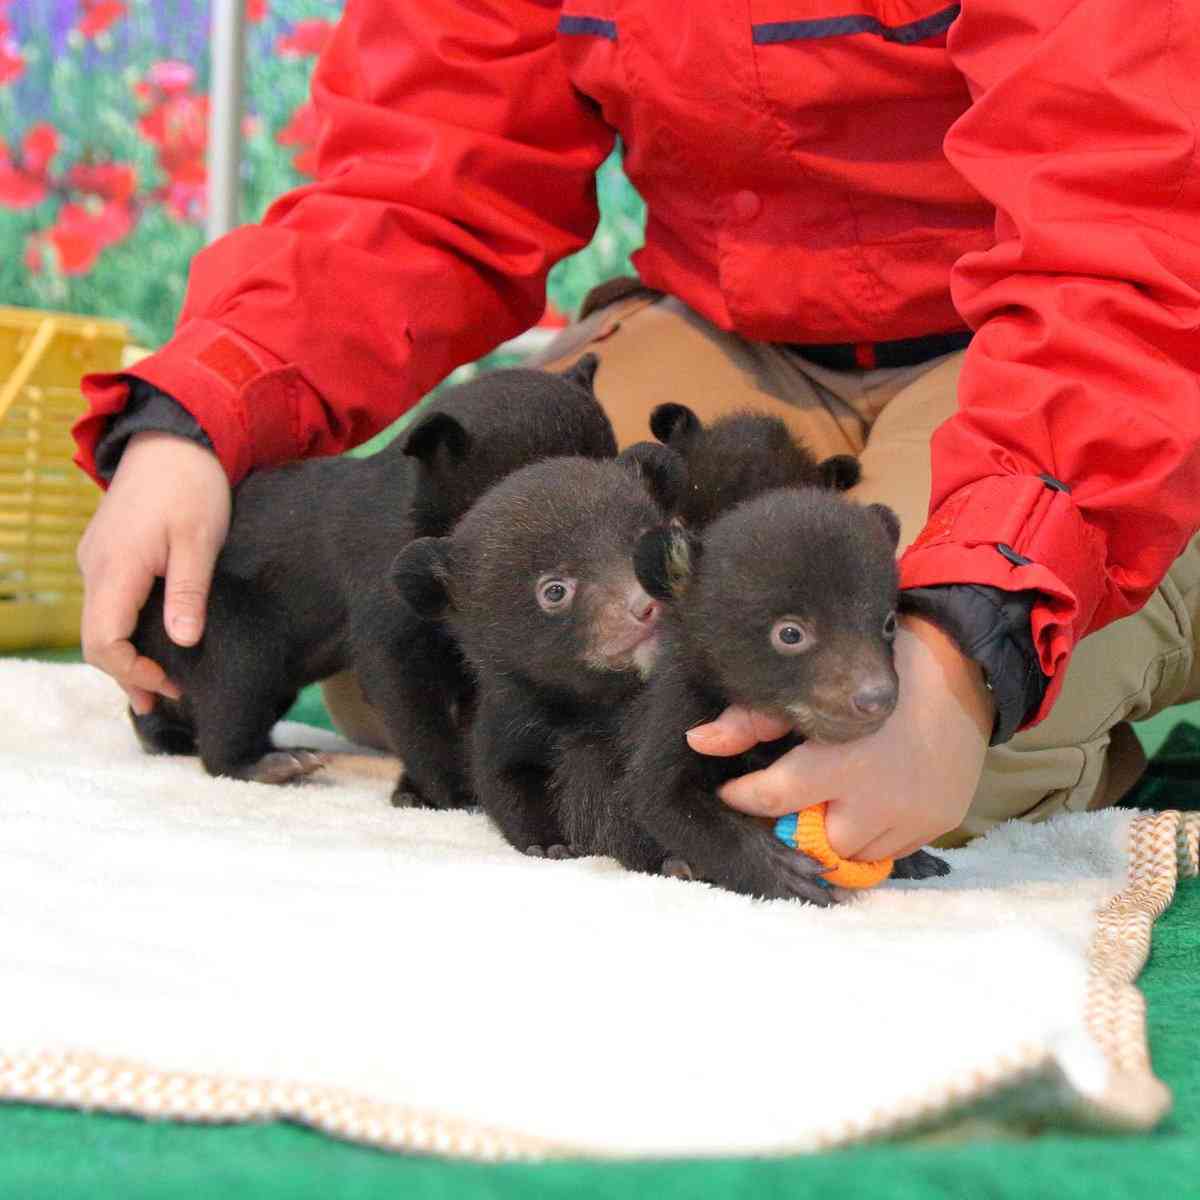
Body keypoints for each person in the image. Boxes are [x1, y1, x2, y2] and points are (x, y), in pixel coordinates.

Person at [73, 0, 1200, 863]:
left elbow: (1126, 244)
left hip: (1060, 353)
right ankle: (1054, 719)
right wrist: (193, 417)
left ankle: (1051, 709)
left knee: (839, 737)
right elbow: (415, 183)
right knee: (436, 662)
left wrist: (965, 656)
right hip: (732, 335)